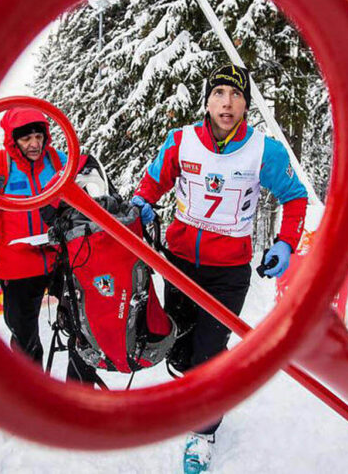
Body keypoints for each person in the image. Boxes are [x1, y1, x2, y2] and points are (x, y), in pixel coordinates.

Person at [131, 64, 309, 474]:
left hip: (228, 272)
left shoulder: (264, 150)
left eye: (236, 95)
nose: (227, 103)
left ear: (246, 103)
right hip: (179, 266)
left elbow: (294, 196)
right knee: (179, 350)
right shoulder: (182, 141)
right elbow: (151, 182)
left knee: (208, 355)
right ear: (207, 100)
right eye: (219, 93)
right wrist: (142, 201)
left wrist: (285, 243)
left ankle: (204, 432)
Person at [0, 108, 67, 366]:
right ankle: (33, 393)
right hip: (18, 270)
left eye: (38, 136)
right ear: (13, 140)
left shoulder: (59, 162)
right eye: (26, 139)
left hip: (61, 261)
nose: (35, 144)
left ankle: (79, 387)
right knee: (26, 341)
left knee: (81, 327)